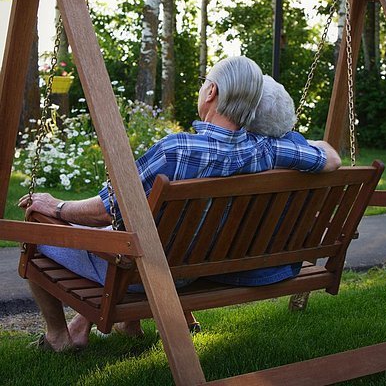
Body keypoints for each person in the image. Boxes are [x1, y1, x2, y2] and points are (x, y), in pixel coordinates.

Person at [19, 57, 341, 351]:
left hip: (142, 275)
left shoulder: (175, 149)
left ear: (212, 91)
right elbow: (331, 158)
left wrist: (56, 206)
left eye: (204, 82)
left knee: (35, 225)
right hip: (193, 270)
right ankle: (118, 328)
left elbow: (105, 211)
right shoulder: (266, 150)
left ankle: (58, 337)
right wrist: (305, 142)